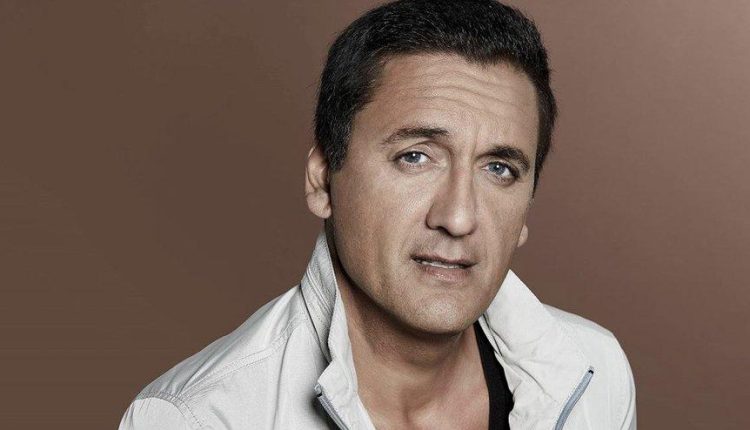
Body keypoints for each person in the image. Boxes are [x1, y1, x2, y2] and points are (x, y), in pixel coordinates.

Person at [119, 0, 636, 428]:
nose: (458, 217)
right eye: (415, 157)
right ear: (323, 179)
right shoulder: (198, 418)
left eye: (499, 169)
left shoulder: (596, 374)